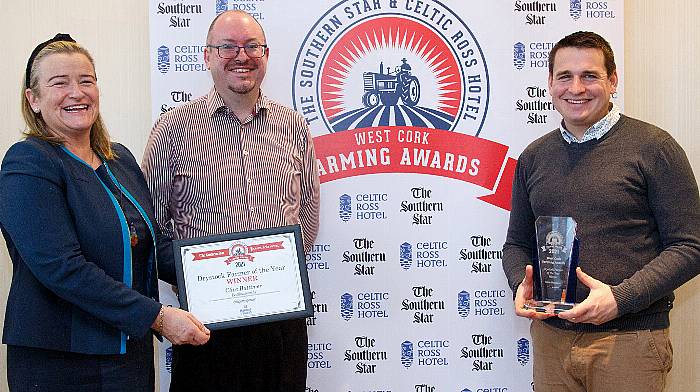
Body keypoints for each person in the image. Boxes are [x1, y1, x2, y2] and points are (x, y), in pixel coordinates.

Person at [0, 34, 210, 392]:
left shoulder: (120, 159)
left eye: (86, 80)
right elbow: (61, 268)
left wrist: (234, 266)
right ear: (33, 100)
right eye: (59, 83)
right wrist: (158, 317)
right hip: (61, 362)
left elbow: (152, 245)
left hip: (128, 355)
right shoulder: (28, 163)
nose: (77, 92)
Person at [502, 31, 700, 392]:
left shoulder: (655, 148)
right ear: (550, 83)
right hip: (551, 343)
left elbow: (690, 246)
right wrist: (520, 283)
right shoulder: (533, 158)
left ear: (612, 80)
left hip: (629, 343)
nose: (576, 88)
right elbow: (516, 243)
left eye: (589, 76)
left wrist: (619, 299)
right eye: (565, 76)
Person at [141, 10, 320, 392]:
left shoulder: (294, 125)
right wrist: (202, 278)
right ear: (207, 56)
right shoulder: (173, 129)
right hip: (205, 324)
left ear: (266, 55)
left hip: (280, 323)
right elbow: (151, 227)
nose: (242, 55)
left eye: (252, 46)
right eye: (227, 47)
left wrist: (275, 271)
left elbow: (307, 213)